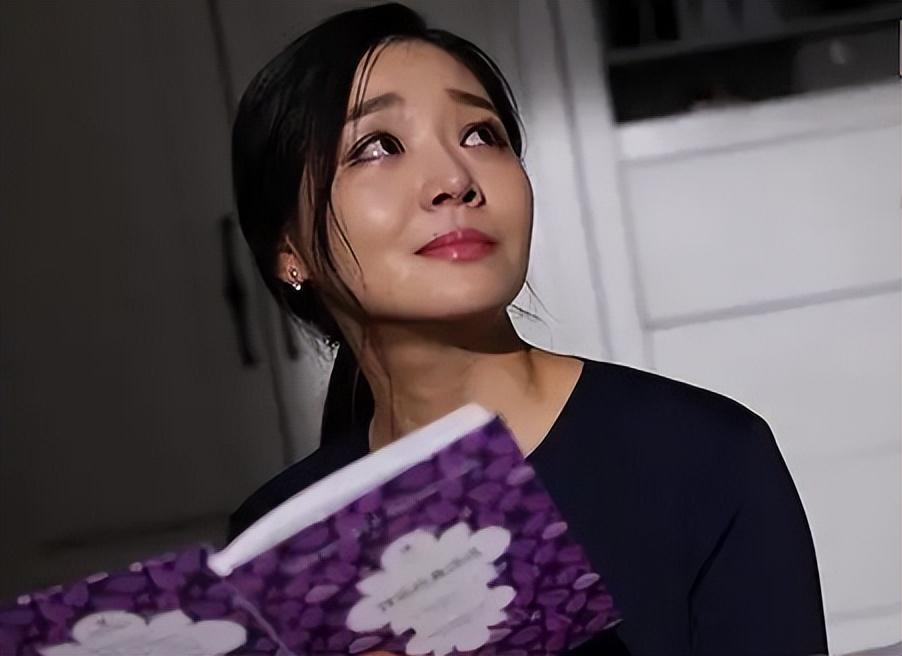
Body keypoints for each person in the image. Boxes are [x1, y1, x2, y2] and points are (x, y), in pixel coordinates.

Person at [227, 3, 829, 654]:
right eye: (378, 147)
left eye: (480, 135)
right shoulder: (277, 544)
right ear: (288, 249)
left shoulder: (704, 458)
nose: (454, 180)